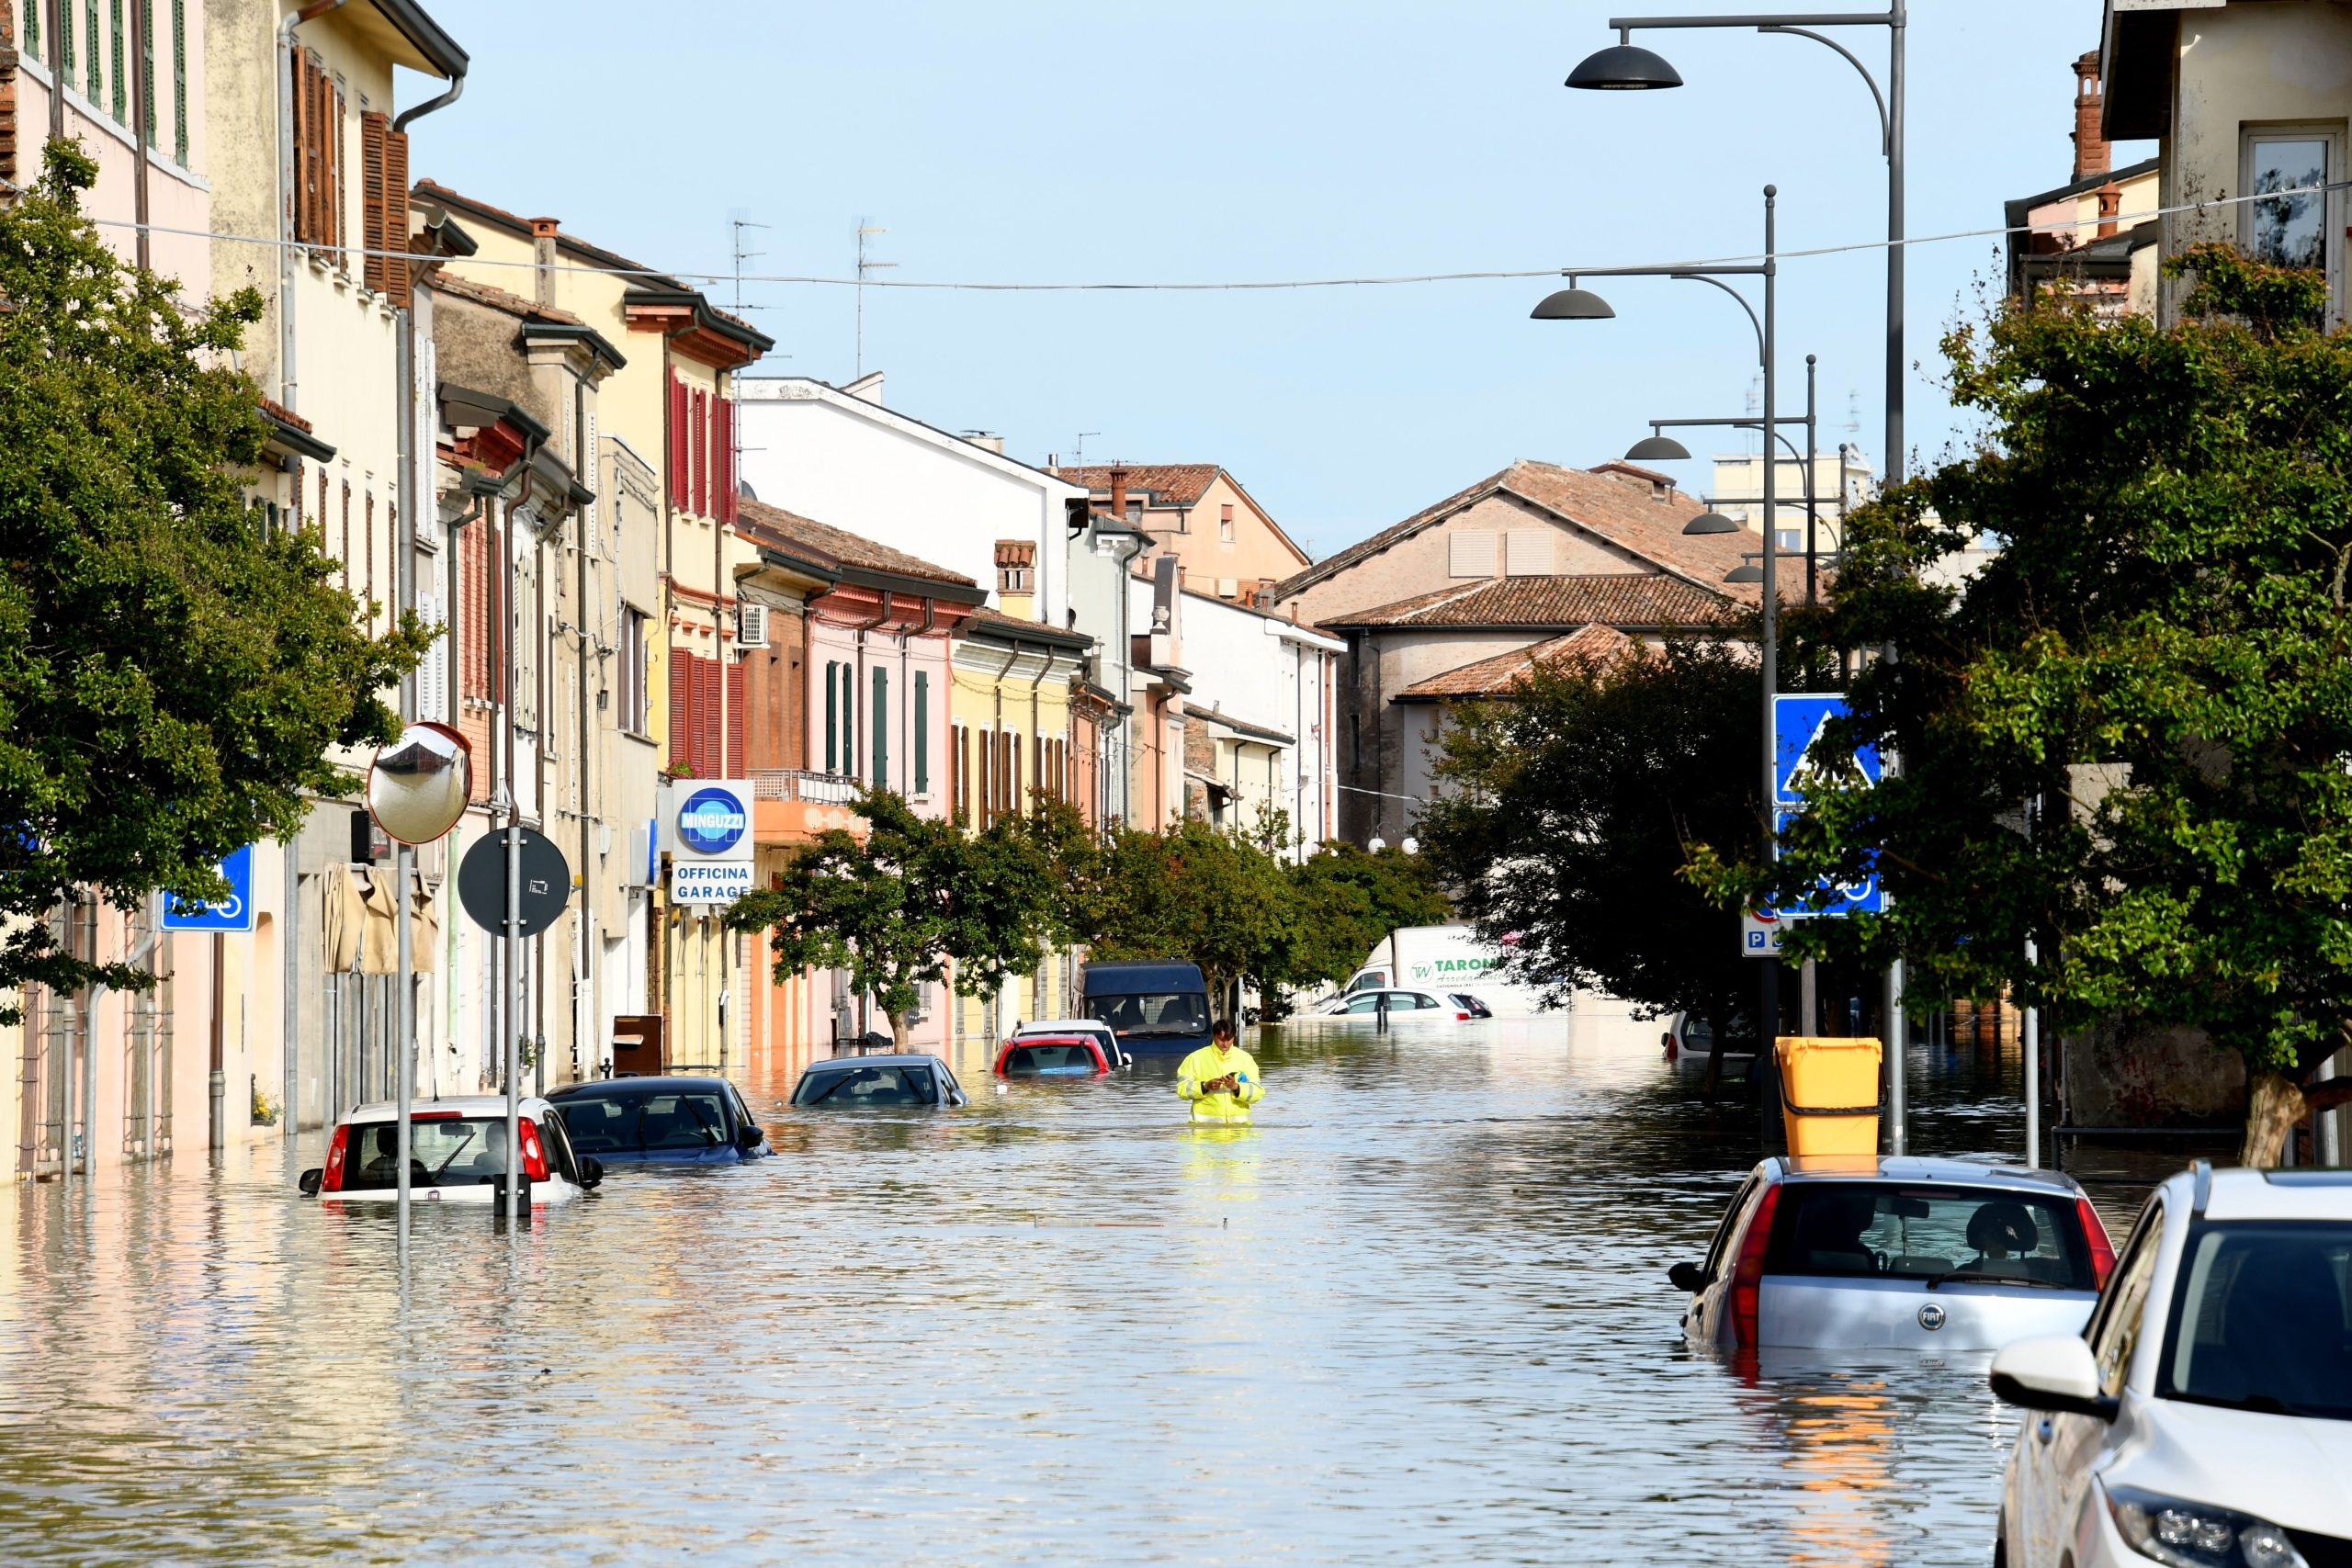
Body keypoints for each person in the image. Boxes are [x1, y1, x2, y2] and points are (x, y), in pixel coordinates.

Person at [1177, 1019, 1264, 1124]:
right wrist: (1205, 1086)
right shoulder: (1195, 1058)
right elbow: (1182, 1090)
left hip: (1240, 1132)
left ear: (1234, 1037)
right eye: (1221, 1039)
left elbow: (1257, 1093)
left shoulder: (1246, 1059)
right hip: (1204, 1132)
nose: (1225, 1044)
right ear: (1214, 1036)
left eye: (1229, 1039)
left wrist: (1236, 1087)